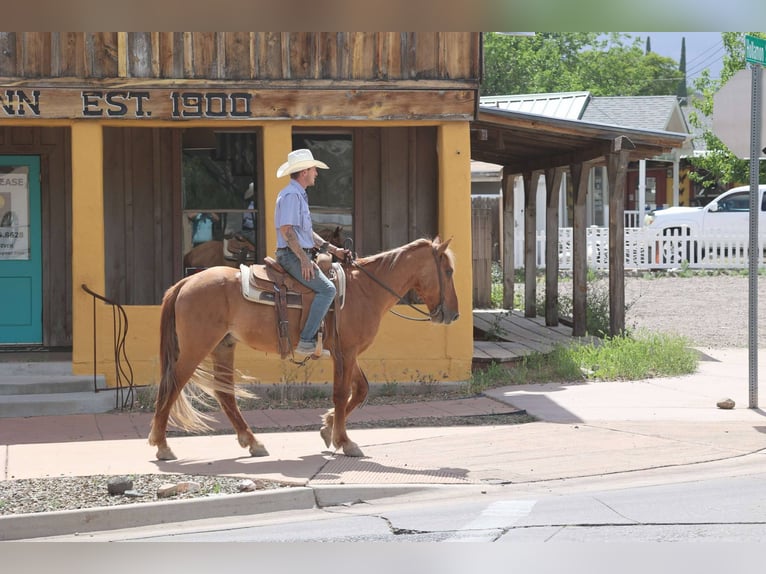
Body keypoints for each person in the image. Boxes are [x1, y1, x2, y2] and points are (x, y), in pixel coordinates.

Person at [274, 149, 349, 359]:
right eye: (314, 169)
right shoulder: (291, 196)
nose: (316, 172)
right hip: (291, 256)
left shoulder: (298, 195)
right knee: (327, 290)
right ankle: (306, 341)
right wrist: (304, 259)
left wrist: (334, 250)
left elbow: (306, 232)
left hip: (296, 253)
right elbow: (286, 230)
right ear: (304, 171)